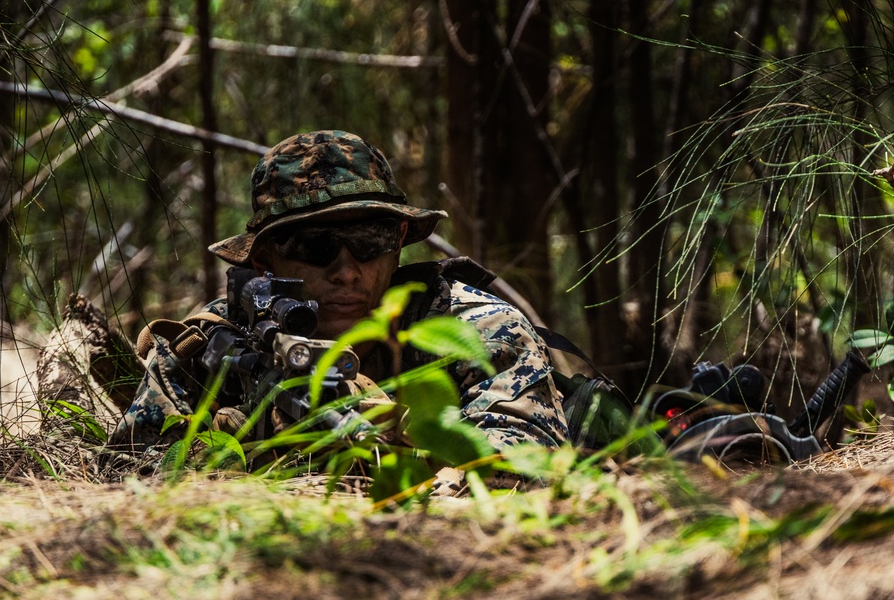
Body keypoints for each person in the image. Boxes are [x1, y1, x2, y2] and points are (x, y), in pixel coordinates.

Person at [110, 129, 569, 453]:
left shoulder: (473, 329)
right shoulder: (217, 338)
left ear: (397, 246)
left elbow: (518, 470)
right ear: (264, 261)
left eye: (371, 242)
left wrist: (389, 447)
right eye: (315, 245)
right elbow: (130, 474)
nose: (347, 272)